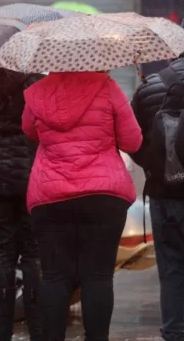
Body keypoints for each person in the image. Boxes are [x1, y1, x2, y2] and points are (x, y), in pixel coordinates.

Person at [22, 71, 142, 341]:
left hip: (50, 194)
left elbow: (29, 131)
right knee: (98, 276)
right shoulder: (108, 87)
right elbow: (133, 141)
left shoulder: (37, 92)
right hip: (103, 193)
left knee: (54, 276)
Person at [0, 68, 43, 341]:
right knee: (31, 252)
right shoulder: (35, 80)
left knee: (3, 251)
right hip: (29, 172)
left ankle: (1, 333)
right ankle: (37, 329)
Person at [130, 56, 184, 341]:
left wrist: (156, 168)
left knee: (172, 266)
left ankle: (175, 331)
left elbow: (132, 141)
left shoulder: (151, 85)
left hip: (165, 193)